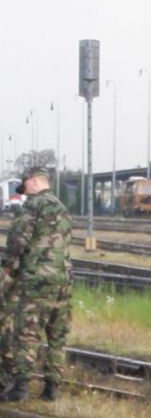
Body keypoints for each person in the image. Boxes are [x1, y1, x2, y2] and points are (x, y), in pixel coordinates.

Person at [0, 166, 73, 402]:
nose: (25, 193)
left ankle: (20, 387)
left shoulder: (33, 206)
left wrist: (8, 270)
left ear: (33, 181)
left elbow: (17, 241)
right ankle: (52, 388)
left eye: (25, 187)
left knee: (27, 332)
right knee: (57, 335)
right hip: (63, 280)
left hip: (37, 280)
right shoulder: (62, 208)